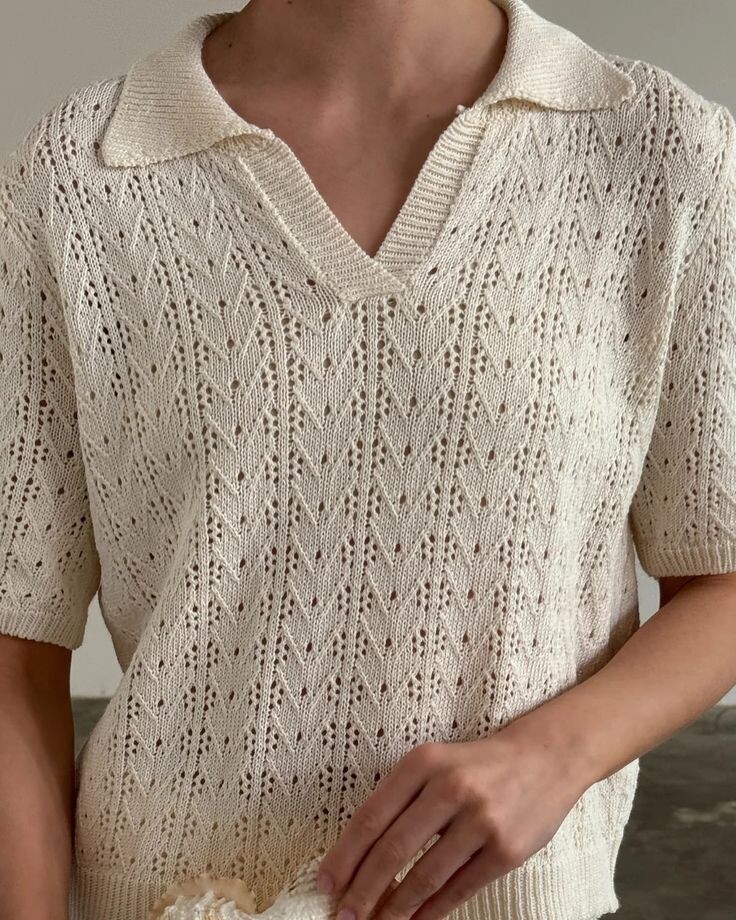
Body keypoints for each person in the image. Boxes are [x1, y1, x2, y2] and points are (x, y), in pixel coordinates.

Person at [0, 1, 735, 918]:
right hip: (184, 896)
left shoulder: (662, 153)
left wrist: (558, 753)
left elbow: (722, 574)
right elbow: (15, 642)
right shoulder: (81, 175)